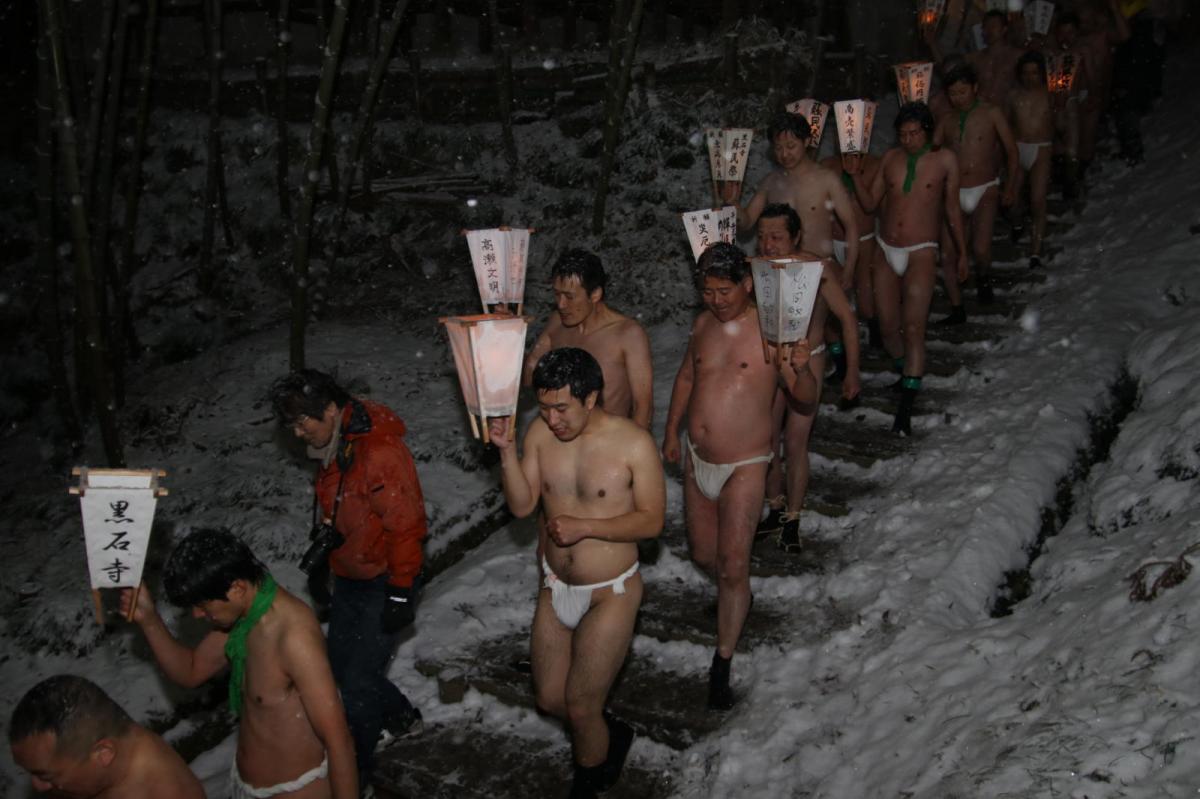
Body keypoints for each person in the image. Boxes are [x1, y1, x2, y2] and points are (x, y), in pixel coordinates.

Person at [491, 347, 665, 798]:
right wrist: (508, 454)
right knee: (550, 698)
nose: (552, 419)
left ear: (591, 398)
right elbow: (522, 505)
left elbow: (652, 521)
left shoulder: (632, 444)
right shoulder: (540, 435)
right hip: (555, 585)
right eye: (544, 408)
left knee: (581, 704)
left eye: (562, 408)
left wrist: (588, 526)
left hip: (612, 591)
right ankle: (611, 735)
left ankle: (587, 785)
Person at [662, 242, 821, 710]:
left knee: (733, 564)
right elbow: (688, 378)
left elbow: (805, 398)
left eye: (724, 289)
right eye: (707, 290)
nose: (715, 299)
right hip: (697, 457)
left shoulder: (773, 334)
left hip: (747, 463)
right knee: (703, 554)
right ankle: (736, 595)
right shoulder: (702, 325)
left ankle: (722, 661)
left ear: (748, 285)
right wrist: (672, 429)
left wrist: (802, 366)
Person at [268, 369, 427, 786]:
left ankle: (355, 774)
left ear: (333, 410)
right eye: (292, 425)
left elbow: (406, 526)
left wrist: (401, 589)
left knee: (357, 683)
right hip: (351, 575)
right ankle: (401, 716)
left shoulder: (378, 453)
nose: (299, 434)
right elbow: (339, 510)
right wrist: (326, 564)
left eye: (305, 422)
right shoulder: (333, 448)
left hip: (386, 575)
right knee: (340, 667)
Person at [121, 529, 356, 799]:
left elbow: (339, 740)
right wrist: (148, 619)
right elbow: (191, 671)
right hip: (245, 784)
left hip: (296, 791)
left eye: (202, 605)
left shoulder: (293, 637)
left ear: (237, 588)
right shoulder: (242, 620)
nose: (198, 615)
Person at [852, 103, 966, 435]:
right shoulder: (890, 159)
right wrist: (856, 175)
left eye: (914, 133)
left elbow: (952, 210)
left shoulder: (945, 160)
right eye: (903, 134)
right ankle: (906, 372)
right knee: (888, 325)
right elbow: (870, 204)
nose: (908, 139)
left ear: (928, 131)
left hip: (922, 249)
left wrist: (960, 253)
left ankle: (906, 406)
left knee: (913, 326)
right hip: (887, 246)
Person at [755, 204, 861, 550]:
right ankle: (774, 507)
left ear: (796, 236)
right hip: (770, 361)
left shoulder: (816, 268)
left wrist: (852, 372)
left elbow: (846, 318)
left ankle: (793, 517)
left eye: (777, 236)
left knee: (796, 443)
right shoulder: (758, 270)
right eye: (762, 237)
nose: (768, 244)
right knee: (768, 442)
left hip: (807, 360)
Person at [722, 112, 860, 291]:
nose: (784, 154)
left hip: (818, 265)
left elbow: (851, 225)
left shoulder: (827, 179)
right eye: (778, 148)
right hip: (779, 268)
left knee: (815, 320)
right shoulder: (770, 182)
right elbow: (747, 222)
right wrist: (734, 205)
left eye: (791, 146)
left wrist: (848, 269)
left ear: (807, 141)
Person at [9, 674, 205, 799]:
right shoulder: (88, 769)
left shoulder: (168, 792)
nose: (38, 786)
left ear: (103, 753)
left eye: (45, 775)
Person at [522, 249, 654, 429]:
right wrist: (507, 336)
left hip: (608, 442)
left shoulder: (628, 334)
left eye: (569, 296)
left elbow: (643, 406)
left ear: (595, 294)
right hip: (562, 439)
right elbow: (530, 375)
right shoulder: (556, 322)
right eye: (557, 294)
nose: (561, 305)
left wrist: (635, 452)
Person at [933, 63, 1018, 319]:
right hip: (955, 190)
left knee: (980, 248)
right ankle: (957, 307)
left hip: (985, 187)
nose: (958, 97)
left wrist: (1010, 185)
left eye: (963, 91)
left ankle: (983, 275)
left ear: (975, 88)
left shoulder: (991, 113)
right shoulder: (946, 120)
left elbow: (1011, 150)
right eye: (953, 93)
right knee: (948, 253)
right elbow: (931, 151)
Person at [820, 149, 884, 349]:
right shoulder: (828, 164)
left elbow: (870, 205)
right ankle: (841, 351)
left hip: (862, 238)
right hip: (831, 240)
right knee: (831, 299)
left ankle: (876, 334)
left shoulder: (875, 164)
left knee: (865, 298)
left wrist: (855, 175)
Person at [1008, 51, 1055, 268]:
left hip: (1041, 148)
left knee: (1037, 199)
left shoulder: (1051, 95)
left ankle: (1035, 251)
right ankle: (1017, 224)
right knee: (1013, 198)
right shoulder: (1013, 96)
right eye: (1026, 73)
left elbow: (1062, 122)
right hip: (1018, 148)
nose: (1030, 77)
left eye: (1034, 73)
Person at [927, 9, 1021, 106]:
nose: (988, 30)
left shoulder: (1016, 56)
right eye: (985, 26)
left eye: (993, 26)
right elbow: (947, 68)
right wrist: (932, 43)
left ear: (1004, 29)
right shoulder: (976, 58)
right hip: (981, 112)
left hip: (1007, 112)